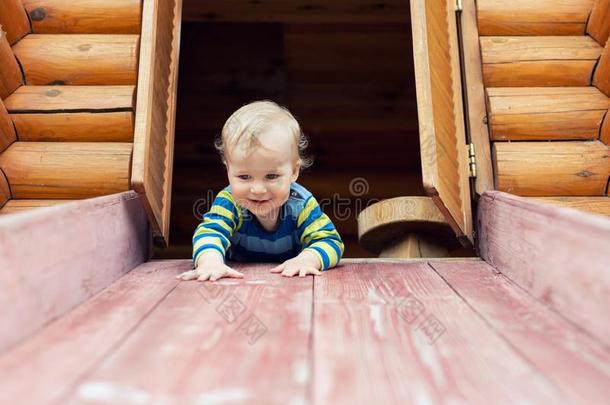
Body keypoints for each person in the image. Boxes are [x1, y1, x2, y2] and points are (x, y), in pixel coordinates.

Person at [176, 100, 344, 282]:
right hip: (240, 281)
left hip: (290, 284)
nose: (257, 189)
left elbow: (331, 242)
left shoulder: (300, 203)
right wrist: (210, 262)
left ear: (294, 171)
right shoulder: (229, 201)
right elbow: (210, 233)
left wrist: (307, 259)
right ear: (228, 170)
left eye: (271, 176)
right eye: (244, 177)